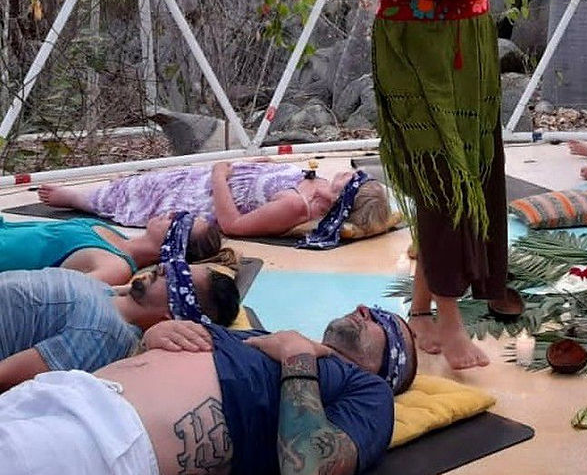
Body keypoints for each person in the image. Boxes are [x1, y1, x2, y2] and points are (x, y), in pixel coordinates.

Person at [0, 306, 416, 475]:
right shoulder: (279, 338)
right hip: (65, 393)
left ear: (389, 367)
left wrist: (297, 357)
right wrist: (153, 338)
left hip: (107, 444)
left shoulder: (369, 392)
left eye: (380, 318)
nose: (363, 308)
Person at [372, 0, 513, 370]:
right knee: (431, 171)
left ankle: (434, 313)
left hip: (461, 51)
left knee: (459, 172)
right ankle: (436, 315)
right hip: (403, 46)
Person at [0, 258, 240, 392]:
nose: (161, 268)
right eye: (172, 265)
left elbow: (7, 377)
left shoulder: (103, 335)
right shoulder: (108, 294)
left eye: (176, 277)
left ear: (175, 313)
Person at [37, 158, 391, 242]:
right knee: (147, 182)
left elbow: (233, 225)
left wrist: (219, 176)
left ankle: (83, 199)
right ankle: (109, 190)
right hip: (216, 177)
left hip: (206, 193)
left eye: (352, 180)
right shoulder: (321, 183)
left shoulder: (296, 207)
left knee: (139, 197)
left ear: (343, 200)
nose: (347, 173)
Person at [0, 211, 221, 285]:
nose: (173, 212)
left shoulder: (116, 267)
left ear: (174, 246)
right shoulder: (115, 234)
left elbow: (55, 295)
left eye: (181, 221)